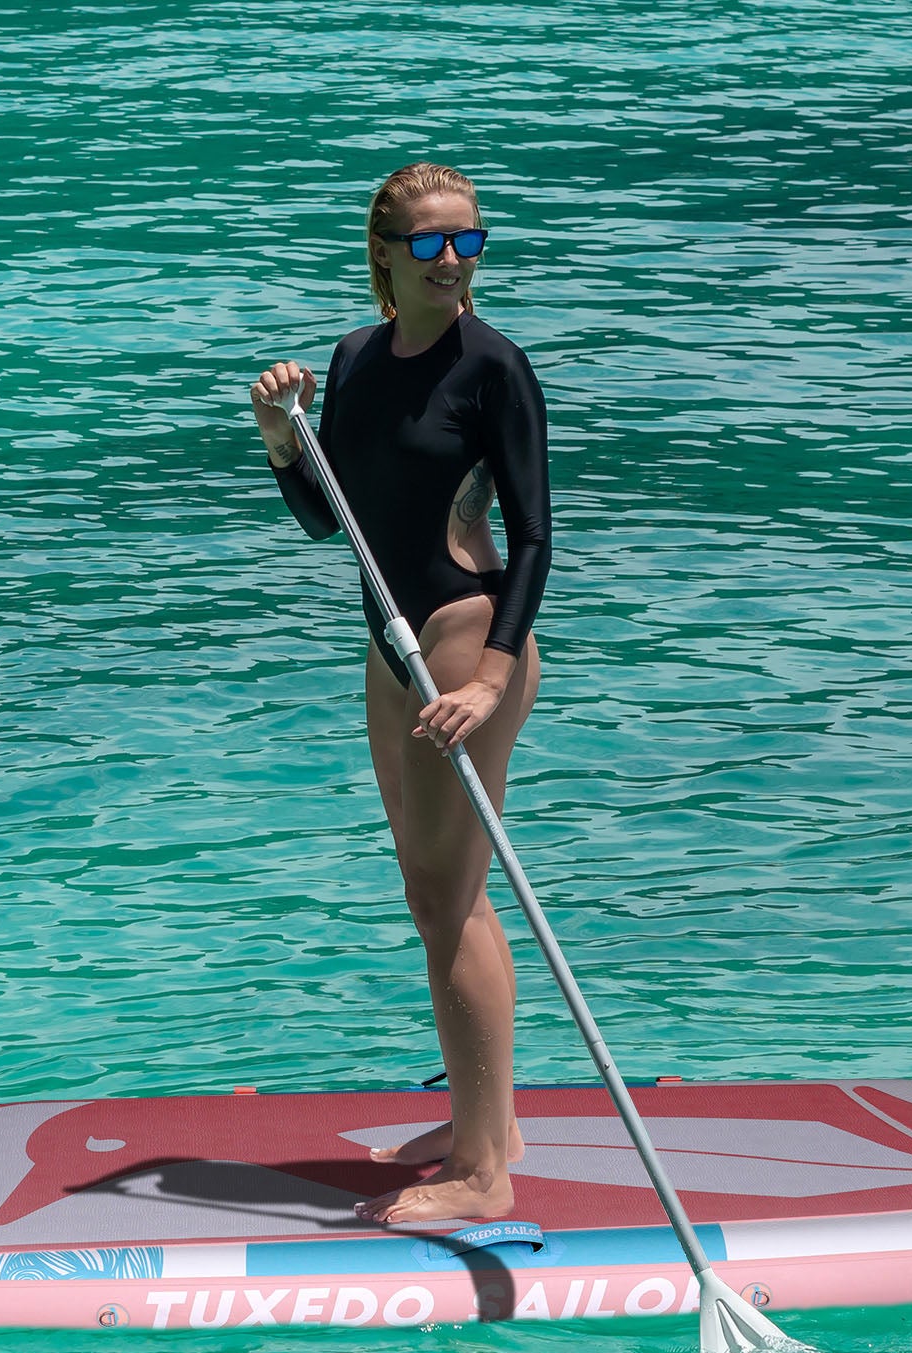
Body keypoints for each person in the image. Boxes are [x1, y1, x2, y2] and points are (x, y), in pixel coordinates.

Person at [249, 162, 551, 1225]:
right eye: (431, 246)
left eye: (471, 240)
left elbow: (535, 540)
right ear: (385, 255)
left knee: (449, 899)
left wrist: (497, 678)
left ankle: (482, 1175)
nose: (456, 263)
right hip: (389, 646)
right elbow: (334, 522)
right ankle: (493, 1123)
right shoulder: (354, 360)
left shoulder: (493, 368)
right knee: (442, 894)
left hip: (468, 645)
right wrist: (288, 444)